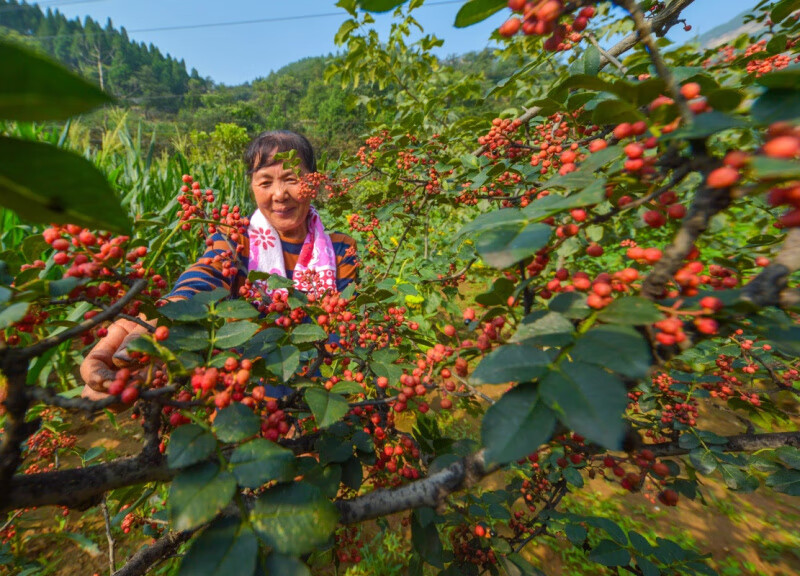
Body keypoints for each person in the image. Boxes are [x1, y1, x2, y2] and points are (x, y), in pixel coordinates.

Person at [80, 130, 358, 402]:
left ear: (314, 182)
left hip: (319, 386)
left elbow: (343, 323)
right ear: (252, 187)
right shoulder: (234, 239)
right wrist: (176, 307)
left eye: (291, 178)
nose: (280, 194)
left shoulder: (340, 248)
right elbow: (208, 274)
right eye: (265, 182)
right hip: (248, 389)